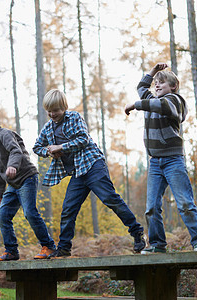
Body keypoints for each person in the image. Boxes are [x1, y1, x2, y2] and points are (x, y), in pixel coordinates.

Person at [33, 89, 146, 258]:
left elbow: (83, 139)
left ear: (64, 107)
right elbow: (36, 147)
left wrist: (61, 147)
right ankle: (64, 247)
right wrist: (49, 151)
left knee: (110, 198)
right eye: (49, 111)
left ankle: (137, 232)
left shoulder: (74, 118)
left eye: (55, 110)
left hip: (93, 165)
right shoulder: (48, 127)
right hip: (78, 173)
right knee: (68, 209)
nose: (52, 114)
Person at [124, 62, 197, 253]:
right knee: (151, 208)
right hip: (155, 163)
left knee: (185, 203)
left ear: (173, 86)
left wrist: (136, 105)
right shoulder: (153, 100)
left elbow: (159, 105)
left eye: (162, 83)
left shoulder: (175, 101)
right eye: (156, 83)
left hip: (173, 160)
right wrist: (153, 71)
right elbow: (141, 88)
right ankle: (157, 244)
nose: (157, 85)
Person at [0, 108, 56, 261]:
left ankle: (49, 246)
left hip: (27, 178)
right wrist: (0, 194)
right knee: (3, 214)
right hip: (13, 185)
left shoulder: (5, 134)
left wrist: (13, 166)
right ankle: (11, 251)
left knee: (30, 213)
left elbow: (15, 151)